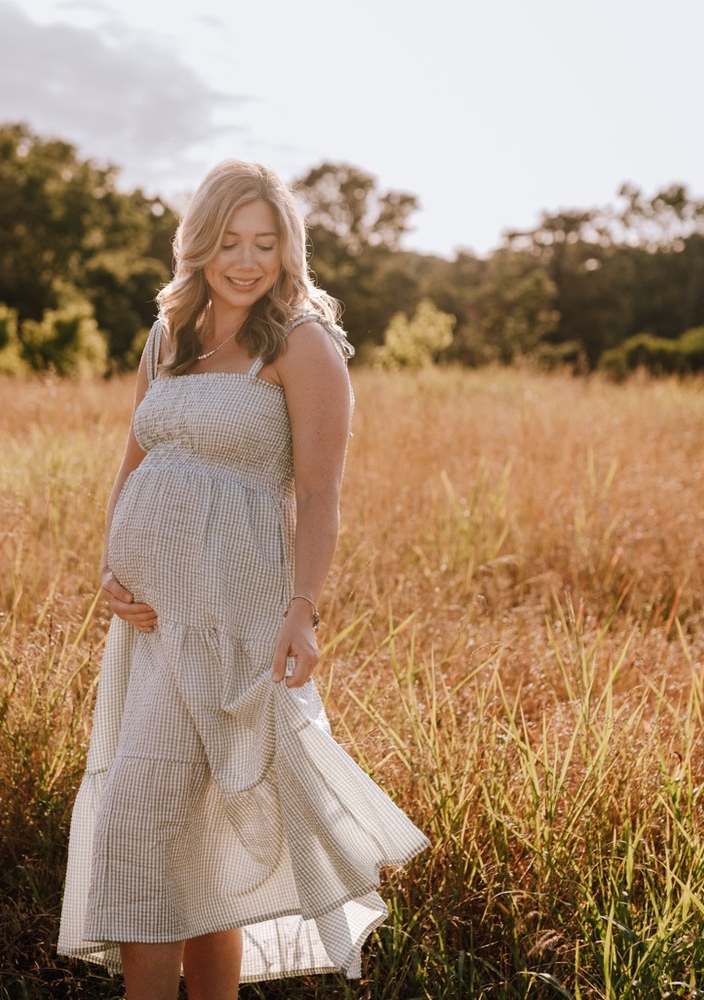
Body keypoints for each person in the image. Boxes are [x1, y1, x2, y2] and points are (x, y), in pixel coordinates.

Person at [57, 159, 428, 998]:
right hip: (151, 628)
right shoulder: (170, 338)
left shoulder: (301, 344)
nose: (247, 259)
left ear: (288, 248)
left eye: (265, 242)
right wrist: (112, 569)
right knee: (177, 851)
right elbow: (135, 460)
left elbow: (322, 492)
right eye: (229, 241)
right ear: (200, 245)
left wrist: (303, 611)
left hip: (236, 624)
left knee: (168, 839)